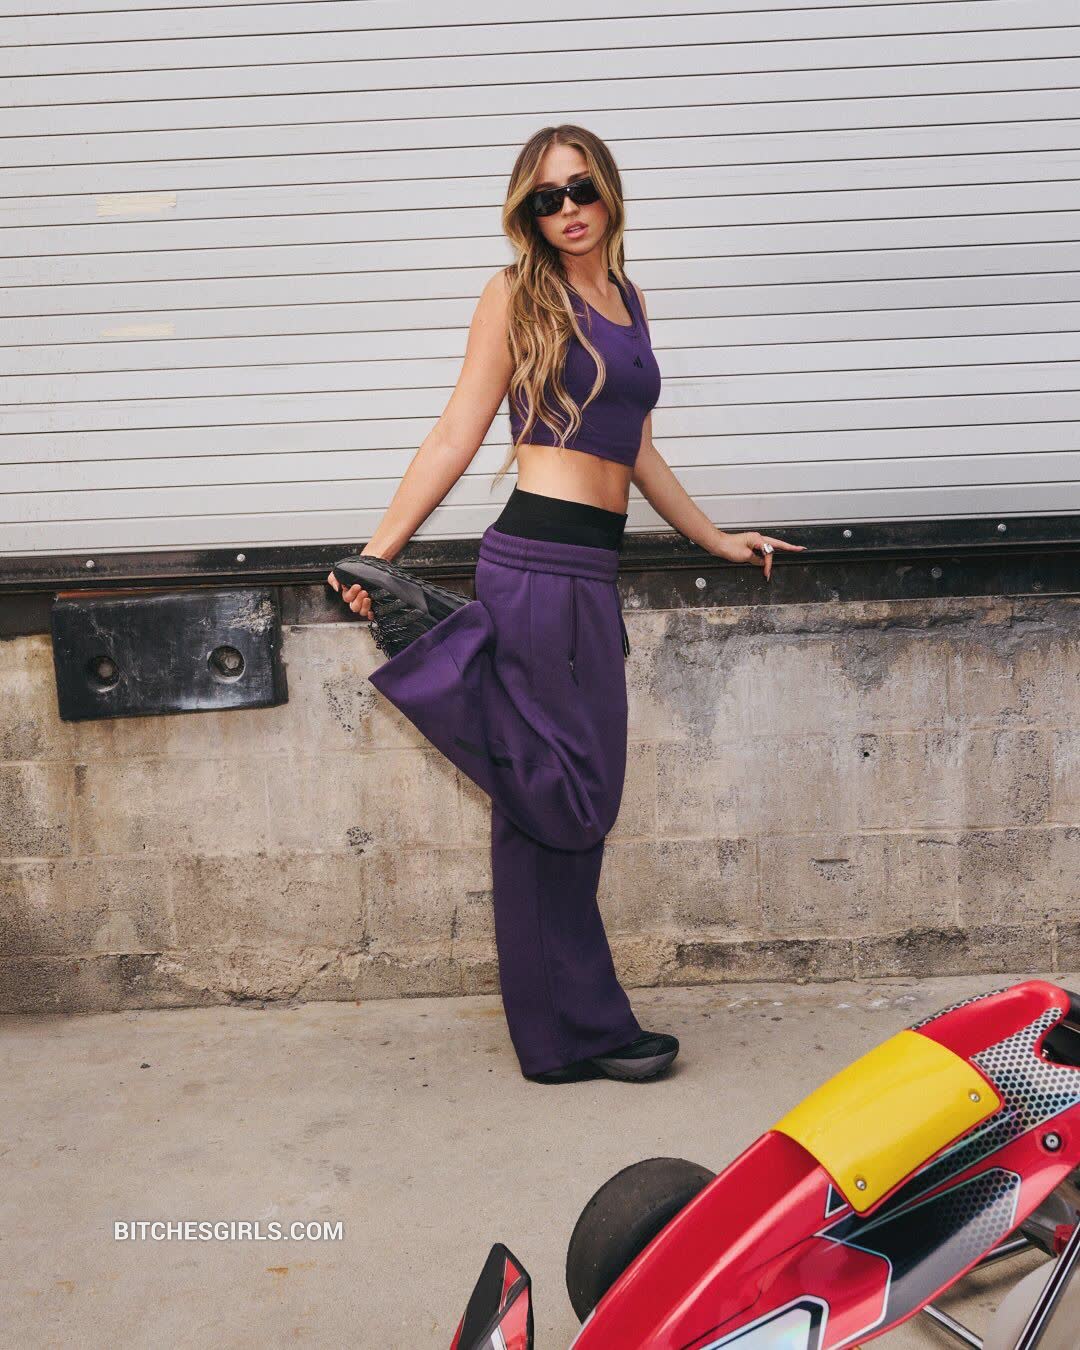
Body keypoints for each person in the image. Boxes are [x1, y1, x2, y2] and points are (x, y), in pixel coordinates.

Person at [328, 124, 806, 1084]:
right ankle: (577, 1030)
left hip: (591, 572)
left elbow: (637, 448)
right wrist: (376, 555)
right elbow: (459, 429)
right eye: (546, 199)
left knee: (552, 795)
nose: (568, 210)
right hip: (534, 564)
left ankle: (560, 1034)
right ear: (528, 213)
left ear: (608, 190)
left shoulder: (629, 299)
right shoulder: (515, 294)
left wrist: (713, 537)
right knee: (561, 794)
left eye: (580, 188)